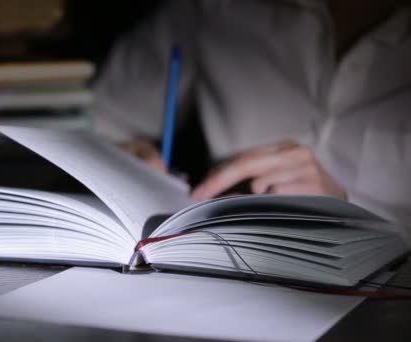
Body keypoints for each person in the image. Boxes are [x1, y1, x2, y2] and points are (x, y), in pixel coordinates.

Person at [90, 0, 411, 227]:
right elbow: (97, 122)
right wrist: (121, 160)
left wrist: (353, 213)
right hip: (225, 267)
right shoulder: (213, 9)